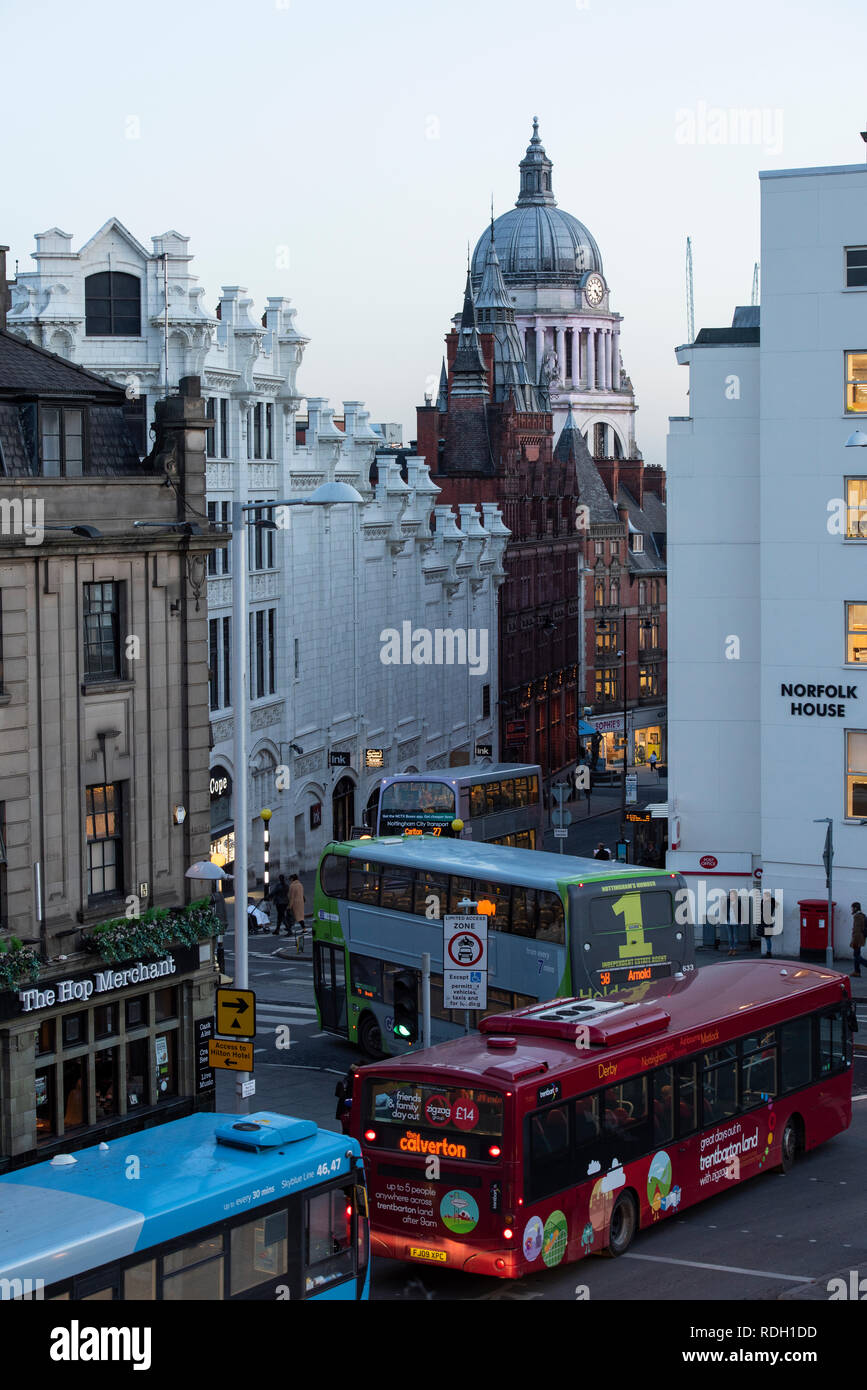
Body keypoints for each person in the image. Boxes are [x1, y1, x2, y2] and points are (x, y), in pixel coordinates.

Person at [289, 873, 306, 949]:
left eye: (290, 879)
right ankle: (303, 928)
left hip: (295, 903)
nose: (290, 880)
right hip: (301, 902)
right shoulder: (300, 884)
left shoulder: (292, 886)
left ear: (292, 879)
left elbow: (291, 897)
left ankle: (290, 928)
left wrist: (289, 906)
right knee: (300, 916)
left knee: (295, 916)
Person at [850, 901, 866, 977]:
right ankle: (857, 972)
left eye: (852, 908)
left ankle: (859, 970)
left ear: (855, 908)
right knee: (856, 954)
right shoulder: (862, 915)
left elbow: (857, 930)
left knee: (856, 955)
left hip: (858, 938)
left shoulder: (857, 916)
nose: (852, 909)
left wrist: (854, 941)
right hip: (860, 937)